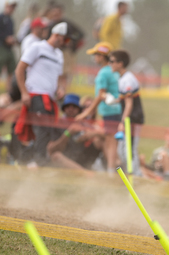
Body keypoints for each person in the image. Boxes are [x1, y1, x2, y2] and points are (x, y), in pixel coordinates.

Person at [14, 22, 67, 168]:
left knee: (48, 130)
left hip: (50, 98)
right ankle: (37, 161)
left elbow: (59, 78)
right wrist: (24, 92)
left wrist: (61, 88)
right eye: (63, 39)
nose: (64, 42)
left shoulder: (59, 55)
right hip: (36, 95)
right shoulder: (37, 47)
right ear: (56, 36)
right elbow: (20, 69)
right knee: (40, 130)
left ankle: (31, 161)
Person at [75, 42, 121, 175]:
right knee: (109, 140)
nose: (94, 57)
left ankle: (112, 170)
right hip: (116, 111)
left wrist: (86, 113)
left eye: (96, 54)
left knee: (110, 141)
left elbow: (100, 95)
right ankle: (112, 169)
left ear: (102, 56)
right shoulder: (114, 72)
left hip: (110, 111)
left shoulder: (103, 73)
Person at [109, 50, 145, 176]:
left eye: (112, 61)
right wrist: (114, 100)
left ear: (120, 63)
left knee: (130, 150)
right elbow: (125, 99)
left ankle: (137, 176)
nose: (110, 64)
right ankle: (132, 175)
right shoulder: (123, 78)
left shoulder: (127, 79)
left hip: (133, 119)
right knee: (122, 150)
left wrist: (122, 122)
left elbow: (129, 104)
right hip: (129, 119)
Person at [47, 94, 103, 171]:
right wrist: (68, 133)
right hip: (66, 160)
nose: (71, 109)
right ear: (64, 108)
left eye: (74, 107)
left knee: (101, 140)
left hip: (83, 158)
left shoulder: (84, 123)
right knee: (56, 156)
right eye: (68, 106)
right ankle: (86, 174)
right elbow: (51, 150)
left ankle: (113, 169)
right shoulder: (58, 124)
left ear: (79, 109)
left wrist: (92, 134)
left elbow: (104, 133)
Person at [0, 0, 18, 91]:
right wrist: (5, 38)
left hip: (9, 48)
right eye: (11, 6)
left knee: (12, 69)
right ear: (6, 6)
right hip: (1, 47)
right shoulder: (1, 17)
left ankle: (9, 92)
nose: (12, 9)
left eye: (13, 7)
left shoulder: (11, 20)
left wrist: (13, 39)